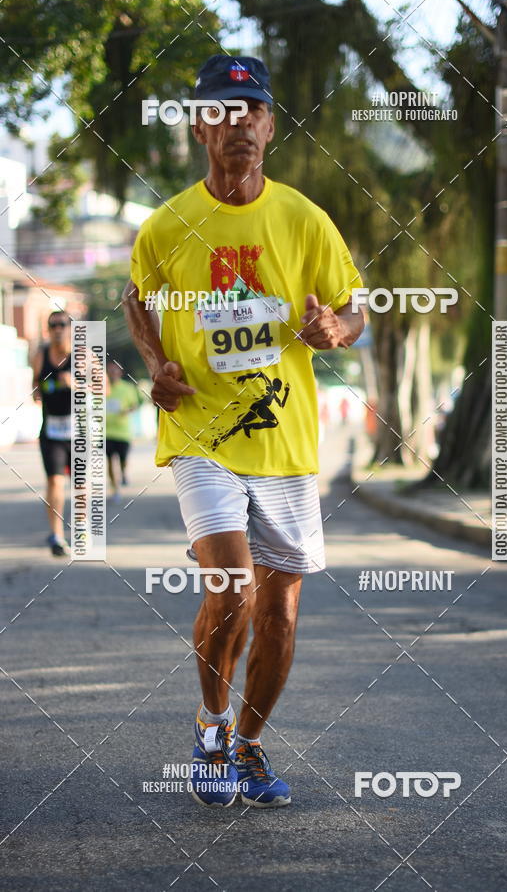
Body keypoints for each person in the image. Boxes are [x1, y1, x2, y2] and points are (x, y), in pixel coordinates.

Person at [123, 54, 364, 809]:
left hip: (285, 441)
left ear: (269, 125)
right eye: (224, 112)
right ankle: (212, 727)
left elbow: (354, 307)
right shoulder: (166, 225)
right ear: (200, 125)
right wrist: (157, 361)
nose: (241, 124)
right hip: (202, 433)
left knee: (280, 613)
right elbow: (138, 298)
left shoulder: (302, 218)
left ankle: (251, 747)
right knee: (230, 587)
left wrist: (337, 326)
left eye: (254, 111)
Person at [32, 311, 72, 556]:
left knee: (81, 486)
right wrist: (37, 393)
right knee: (55, 481)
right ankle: (57, 536)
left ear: (70, 328)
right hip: (51, 430)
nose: (57, 328)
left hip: (81, 432)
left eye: (62, 324)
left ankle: (83, 530)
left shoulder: (83, 355)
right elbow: (35, 385)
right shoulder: (41, 355)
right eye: (52, 325)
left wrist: (76, 384)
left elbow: (105, 389)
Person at [105, 360, 143, 500]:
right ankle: (115, 489)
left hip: (123, 432)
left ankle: (123, 472)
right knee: (109, 460)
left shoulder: (127, 388)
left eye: (115, 371)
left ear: (120, 373)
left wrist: (126, 411)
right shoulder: (102, 388)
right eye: (110, 371)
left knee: (123, 459)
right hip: (106, 432)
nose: (113, 374)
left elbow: (135, 405)